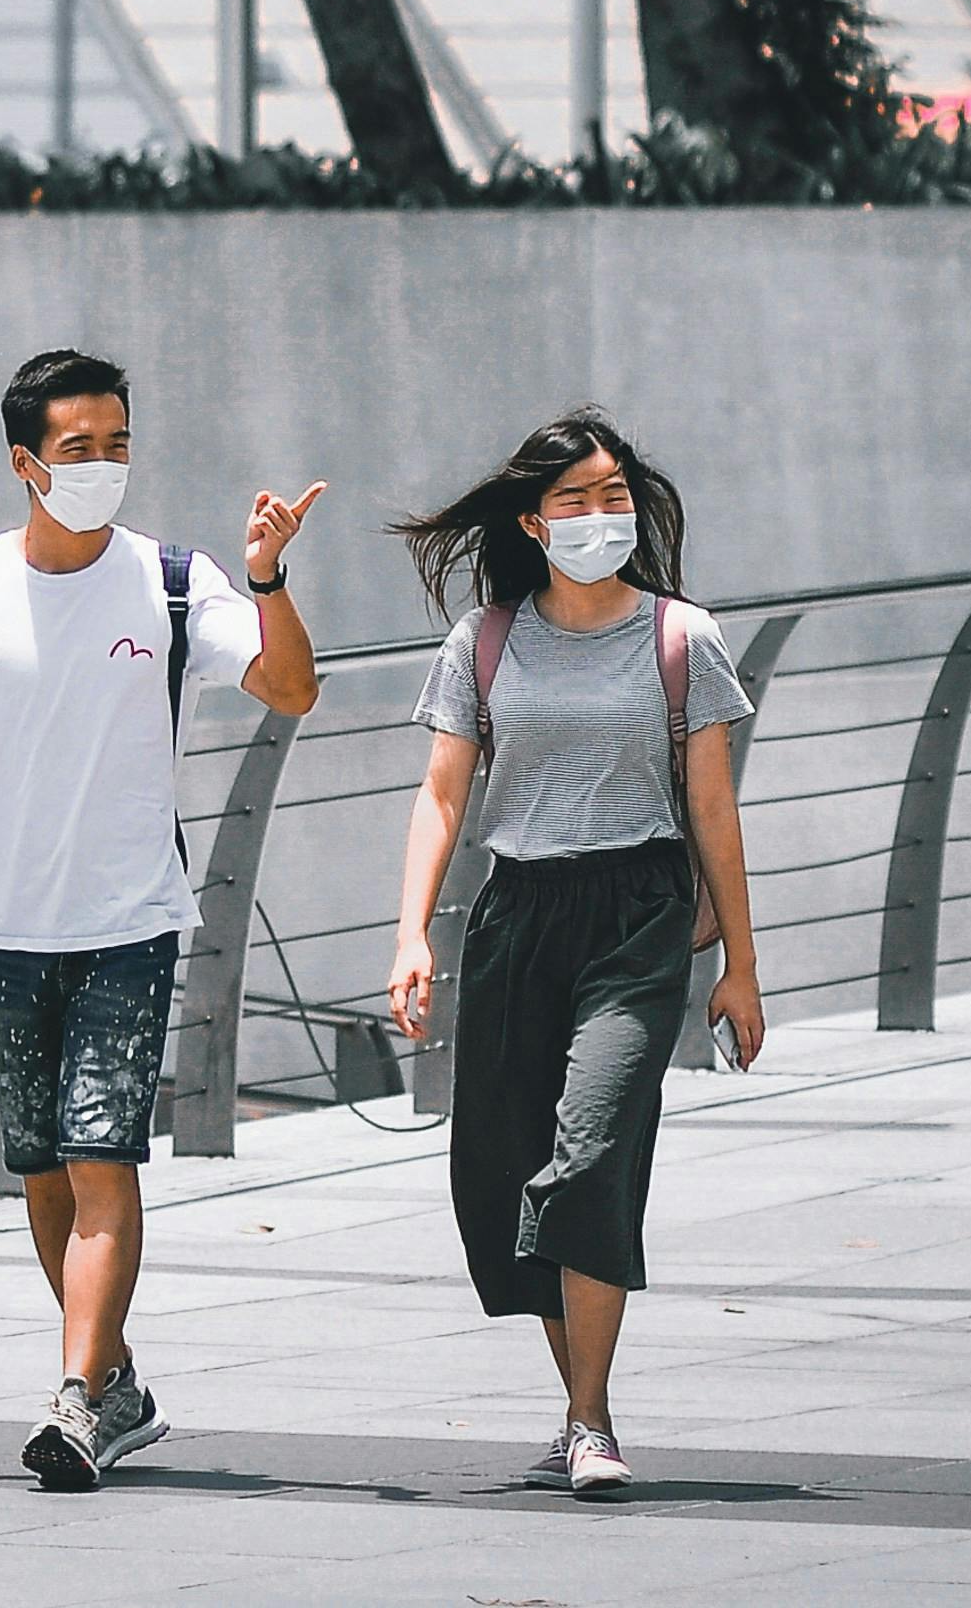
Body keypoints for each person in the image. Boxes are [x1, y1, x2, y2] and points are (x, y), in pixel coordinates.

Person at [0, 348, 322, 1491]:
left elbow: (292, 689)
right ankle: (117, 1382)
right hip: (4, 924)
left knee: (102, 1155)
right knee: (44, 1171)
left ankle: (72, 1402)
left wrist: (267, 579)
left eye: (118, 443)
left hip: (129, 920)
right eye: (78, 447)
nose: (104, 463)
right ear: (26, 462)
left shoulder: (171, 580)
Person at [386, 407, 765, 1501]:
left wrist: (741, 965)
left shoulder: (682, 637)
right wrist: (411, 932)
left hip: (639, 912)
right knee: (509, 1171)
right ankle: (576, 1408)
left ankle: (590, 1419)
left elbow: (713, 805)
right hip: (518, 914)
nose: (601, 516)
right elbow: (443, 793)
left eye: (615, 496)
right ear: (532, 520)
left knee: (591, 1153)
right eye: (576, 499)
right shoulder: (485, 641)